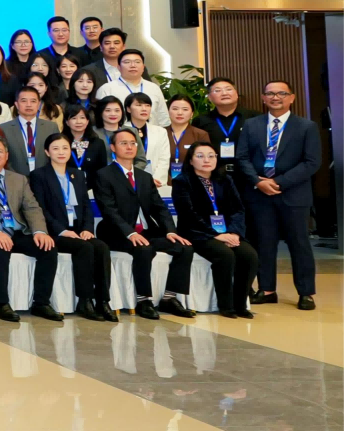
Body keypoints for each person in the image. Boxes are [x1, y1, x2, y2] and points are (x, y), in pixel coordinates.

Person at [93, 128, 196, 320]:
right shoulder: (103, 175)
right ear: (113, 147)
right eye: (123, 143)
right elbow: (109, 210)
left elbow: (159, 207)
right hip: (117, 233)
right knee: (144, 249)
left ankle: (169, 298)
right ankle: (143, 300)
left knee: (184, 247)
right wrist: (130, 233)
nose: (129, 147)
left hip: (146, 232)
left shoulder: (144, 177)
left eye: (133, 143)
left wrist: (170, 231)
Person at [0, 136, 61, 322]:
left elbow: (32, 207)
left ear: (7, 155)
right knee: (1, 248)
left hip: (17, 232)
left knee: (48, 248)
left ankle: (41, 303)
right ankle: (1, 303)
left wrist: (40, 231)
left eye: (0, 151)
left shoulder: (19, 179)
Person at [240, 80, 321, 310]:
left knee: (299, 244)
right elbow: (242, 158)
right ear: (263, 98)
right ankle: (267, 290)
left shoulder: (306, 127)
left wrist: (278, 182)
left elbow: (312, 162)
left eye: (282, 93)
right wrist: (258, 181)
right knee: (264, 243)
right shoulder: (252, 125)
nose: (276, 97)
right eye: (270, 93)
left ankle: (306, 292)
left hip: (294, 195)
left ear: (292, 98)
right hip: (260, 195)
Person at [29, 132, 114, 322]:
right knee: (84, 248)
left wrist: (87, 229)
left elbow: (86, 206)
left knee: (101, 247)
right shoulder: (38, 176)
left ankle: (103, 301)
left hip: (77, 229)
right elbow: (40, 209)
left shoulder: (77, 174)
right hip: (54, 231)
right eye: (56, 148)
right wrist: (62, 231)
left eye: (65, 148)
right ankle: (85, 300)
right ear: (47, 152)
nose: (61, 152)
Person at [173, 142, 258, 318]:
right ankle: (226, 305)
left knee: (249, 255)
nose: (207, 160)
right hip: (197, 233)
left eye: (211, 156)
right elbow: (188, 214)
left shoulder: (225, 180)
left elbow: (238, 209)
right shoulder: (182, 182)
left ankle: (240, 304)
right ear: (191, 160)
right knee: (224, 254)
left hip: (227, 232)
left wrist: (233, 233)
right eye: (200, 156)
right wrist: (217, 235)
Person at [2, 87, 60, 176]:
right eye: (24, 101)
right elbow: (3, 157)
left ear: (38, 104)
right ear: (16, 104)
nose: (28, 105)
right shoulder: (4, 128)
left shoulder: (51, 127)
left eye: (33, 101)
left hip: (45, 178)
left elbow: (56, 154)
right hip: (14, 178)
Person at [59, 103, 108, 175]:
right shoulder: (60, 142)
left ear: (87, 121)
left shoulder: (97, 143)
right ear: (67, 122)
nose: (78, 122)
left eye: (82, 118)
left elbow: (102, 170)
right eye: (74, 118)